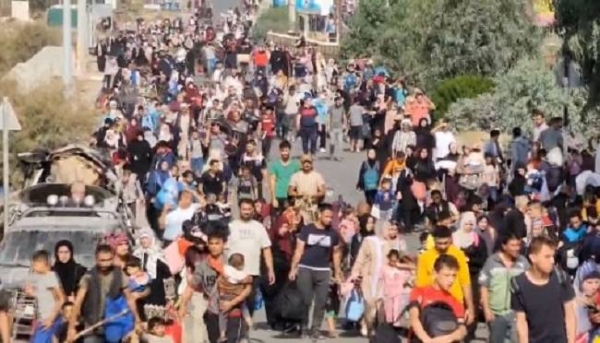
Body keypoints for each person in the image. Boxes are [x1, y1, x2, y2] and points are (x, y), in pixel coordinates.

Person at [288, 203, 343, 339]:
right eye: (327, 216)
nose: (329, 219)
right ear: (319, 214)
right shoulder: (307, 230)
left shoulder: (333, 234)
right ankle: (304, 328)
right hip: (306, 268)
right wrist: (293, 268)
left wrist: (337, 271)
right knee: (306, 299)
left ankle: (316, 330)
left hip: (323, 270)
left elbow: (336, 253)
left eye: (331, 217)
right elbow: (299, 250)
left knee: (321, 301)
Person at [67, 244, 142, 343]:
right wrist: (71, 328)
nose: (105, 264)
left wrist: (137, 319)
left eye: (109, 260)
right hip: (92, 324)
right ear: (96, 259)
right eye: (102, 260)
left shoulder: (119, 274)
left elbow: (129, 298)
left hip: (114, 323)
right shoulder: (88, 277)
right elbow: (78, 303)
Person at [511, 235, 577, 343]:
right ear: (533, 258)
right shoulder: (518, 284)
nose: (552, 261)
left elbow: (570, 314)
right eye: (547, 256)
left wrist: (571, 341)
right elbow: (521, 322)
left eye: (553, 256)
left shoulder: (561, 278)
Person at [415, 225, 475, 327]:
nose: (443, 246)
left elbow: (465, 282)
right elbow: (421, 285)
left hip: (455, 303)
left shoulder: (459, 254)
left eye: (446, 243)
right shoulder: (425, 257)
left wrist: (470, 308)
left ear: (451, 239)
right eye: (439, 243)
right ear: (434, 240)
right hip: (432, 305)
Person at [227, 198, 275, 321]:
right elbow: (223, 249)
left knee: (250, 304)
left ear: (253, 210)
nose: (246, 212)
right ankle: (234, 332)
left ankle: (244, 332)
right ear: (239, 210)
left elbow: (266, 249)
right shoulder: (231, 226)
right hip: (234, 273)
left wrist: (270, 270)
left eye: (249, 209)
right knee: (234, 304)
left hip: (253, 273)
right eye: (244, 209)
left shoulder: (259, 227)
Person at [479, 233, 530, 343]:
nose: (517, 248)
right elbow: (484, 285)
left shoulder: (523, 262)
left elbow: (530, 286)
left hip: (516, 313)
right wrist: (487, 309)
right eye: (513, 245)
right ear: (504, 246)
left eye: (518, 245)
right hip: (496, 313)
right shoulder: (491, 262)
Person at [408, 254, 467, 342]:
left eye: (454, 275)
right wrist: (427, 340)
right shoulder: (420, 292)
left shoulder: (455, 301)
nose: (451, 280)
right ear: (435, 273)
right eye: (446, 275)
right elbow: (414, 319)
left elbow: (462, 329)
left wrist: (448, 338)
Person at [27, 250, 65, 343]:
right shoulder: (43, 278)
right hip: (42, 319)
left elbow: (60, 299)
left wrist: (51, 319)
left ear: (43, 264)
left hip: (49, 319)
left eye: (35, 265)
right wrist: (33, 293)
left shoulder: (50, 276)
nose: (34, 267)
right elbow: (45, 296)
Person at [268, 140, 301, 212]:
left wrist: (298, 197)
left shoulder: (296, 165)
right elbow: (272, 182)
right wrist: (273, 198)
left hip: (291, 196)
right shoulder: (275, 165)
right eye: (282, 151)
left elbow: (299, 181)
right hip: (279, 195)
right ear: (280, 151)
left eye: (286, 150)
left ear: (289, 150)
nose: (284, 153)